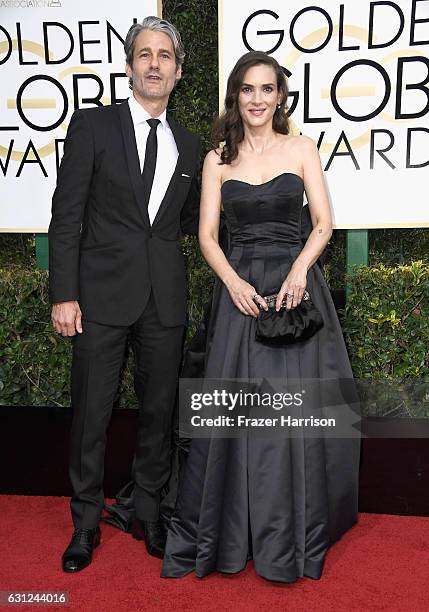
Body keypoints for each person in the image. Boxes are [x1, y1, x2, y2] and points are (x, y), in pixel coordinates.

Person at [161, 51, 360, 583]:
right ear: (236, 96)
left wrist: (298, 274)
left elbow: (323, 222)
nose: (257, 99)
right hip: (239, 292)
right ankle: (228, 532)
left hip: (295, 289)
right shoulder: (216, 160)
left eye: (267, 89)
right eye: (248, 90)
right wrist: (233, 282)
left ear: (280, 96)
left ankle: (292, 530)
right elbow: (206, 236)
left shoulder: (302, 149)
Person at [48, 16, 200, 572]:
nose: (154, 63)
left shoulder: (190, 143)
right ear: (130, 65)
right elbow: (66, 216)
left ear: (179, 72)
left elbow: (182, 221)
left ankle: (150, 514)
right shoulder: (92, 126)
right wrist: (64, 292)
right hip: (99, 297)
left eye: (165, 55)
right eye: (145, 54)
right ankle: (85, 525)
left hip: (164, 299)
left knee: (159, 415)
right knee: (91, 414)